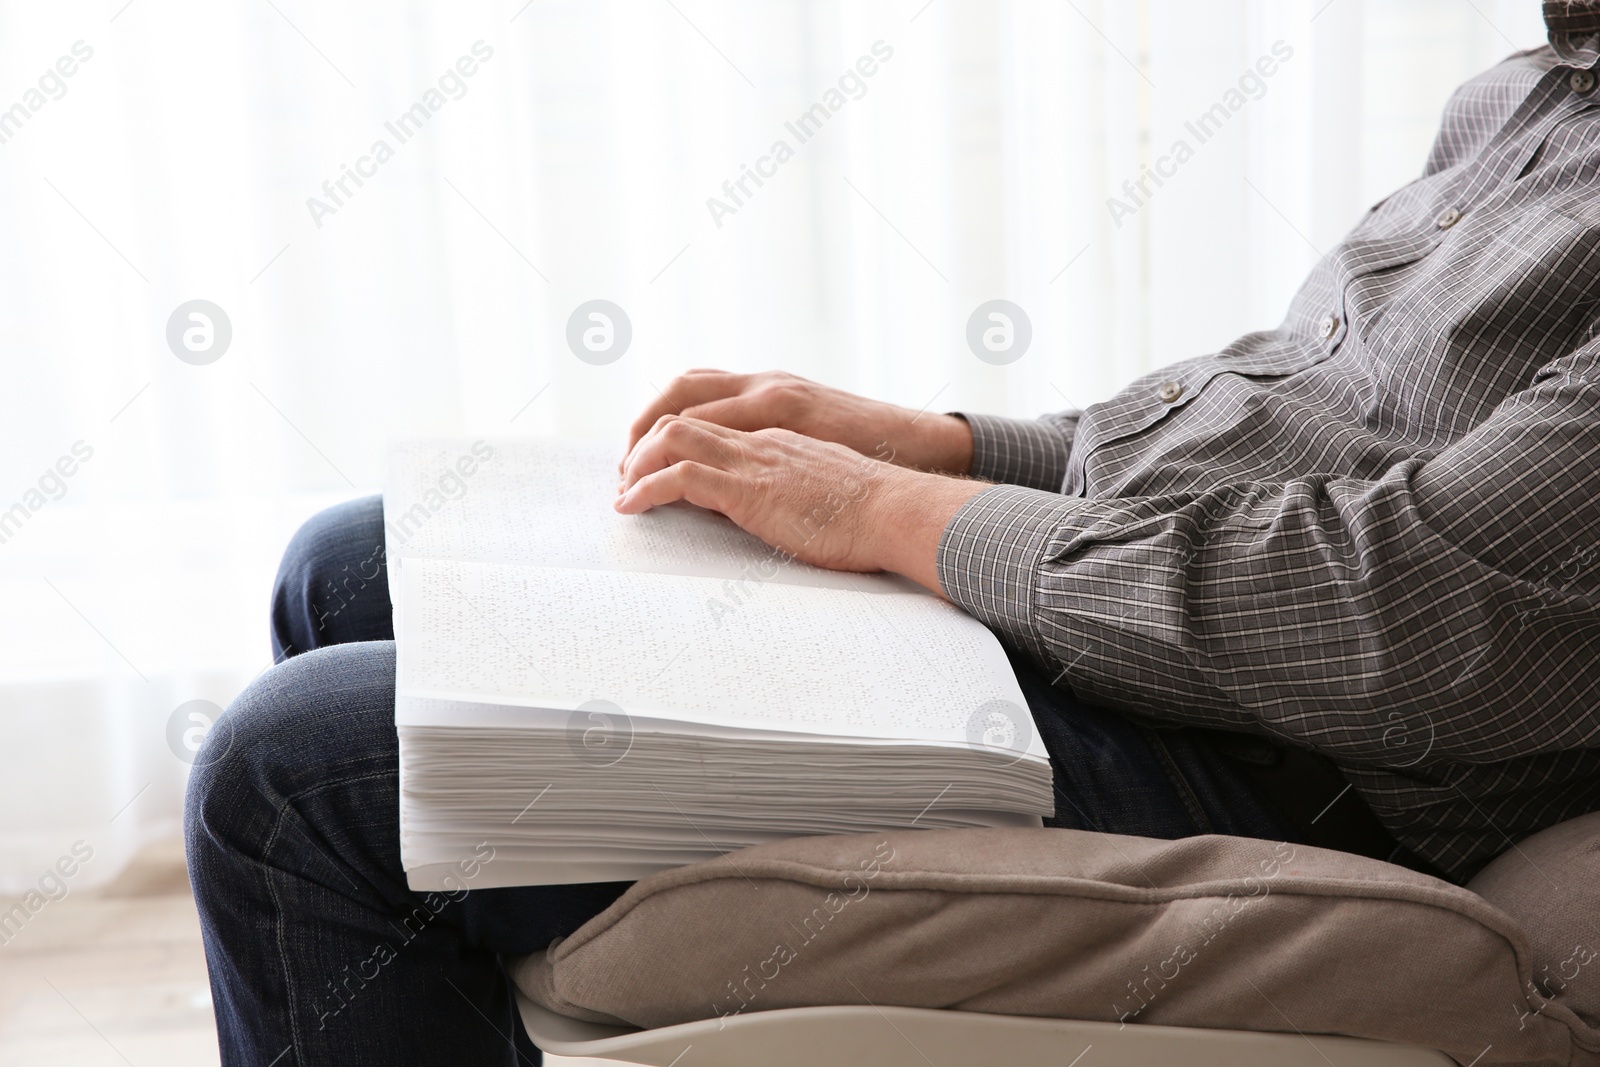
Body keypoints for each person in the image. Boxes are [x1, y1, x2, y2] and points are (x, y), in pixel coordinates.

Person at [188, 7, 1600, 1064]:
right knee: (351, 566)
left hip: (1283, 751)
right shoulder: (1542, 89)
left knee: (301, 773)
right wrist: (957, 449)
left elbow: (1406, 617)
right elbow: (1306, 417)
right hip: (1137, 638)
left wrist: (894, 517)